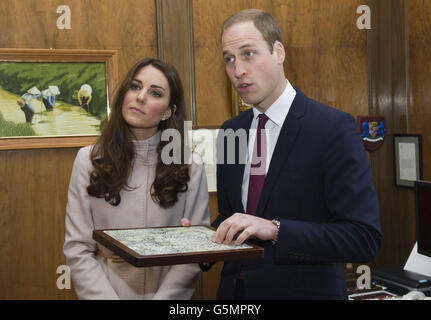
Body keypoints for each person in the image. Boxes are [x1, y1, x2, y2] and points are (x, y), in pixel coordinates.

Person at [192, 9, 382, 299]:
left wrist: (275, 229)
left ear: (278, 51)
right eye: (229, 59)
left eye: (248, 54)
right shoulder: (231, 131)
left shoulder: (332, 128)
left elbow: (363, 238)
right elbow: (233, 218)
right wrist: (198, 240)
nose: (237, 70)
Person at [63, 58, 210, 299]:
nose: (140, 97)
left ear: (168, 111)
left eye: (155, 93)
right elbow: (78, 248)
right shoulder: (87, 160)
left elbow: (195, 253)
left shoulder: (190, 164)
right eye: (135, 86)